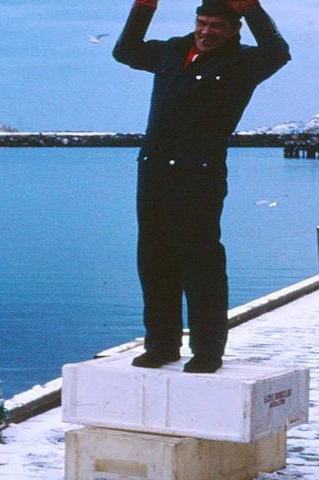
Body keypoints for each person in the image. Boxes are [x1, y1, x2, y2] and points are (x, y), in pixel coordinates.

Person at [113, 0, 290, 373]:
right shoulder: (172, 51)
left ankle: (207, 351)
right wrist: (144, 7)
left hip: (199, 175)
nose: (206, 32)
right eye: (202, 22)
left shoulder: (244, 63)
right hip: (153, 172)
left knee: (200, 264)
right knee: (154, 261)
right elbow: (124, 51)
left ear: (234, 30)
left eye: (217, 26)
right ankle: (161, 345)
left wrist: (253, 8)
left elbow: (279, 53)